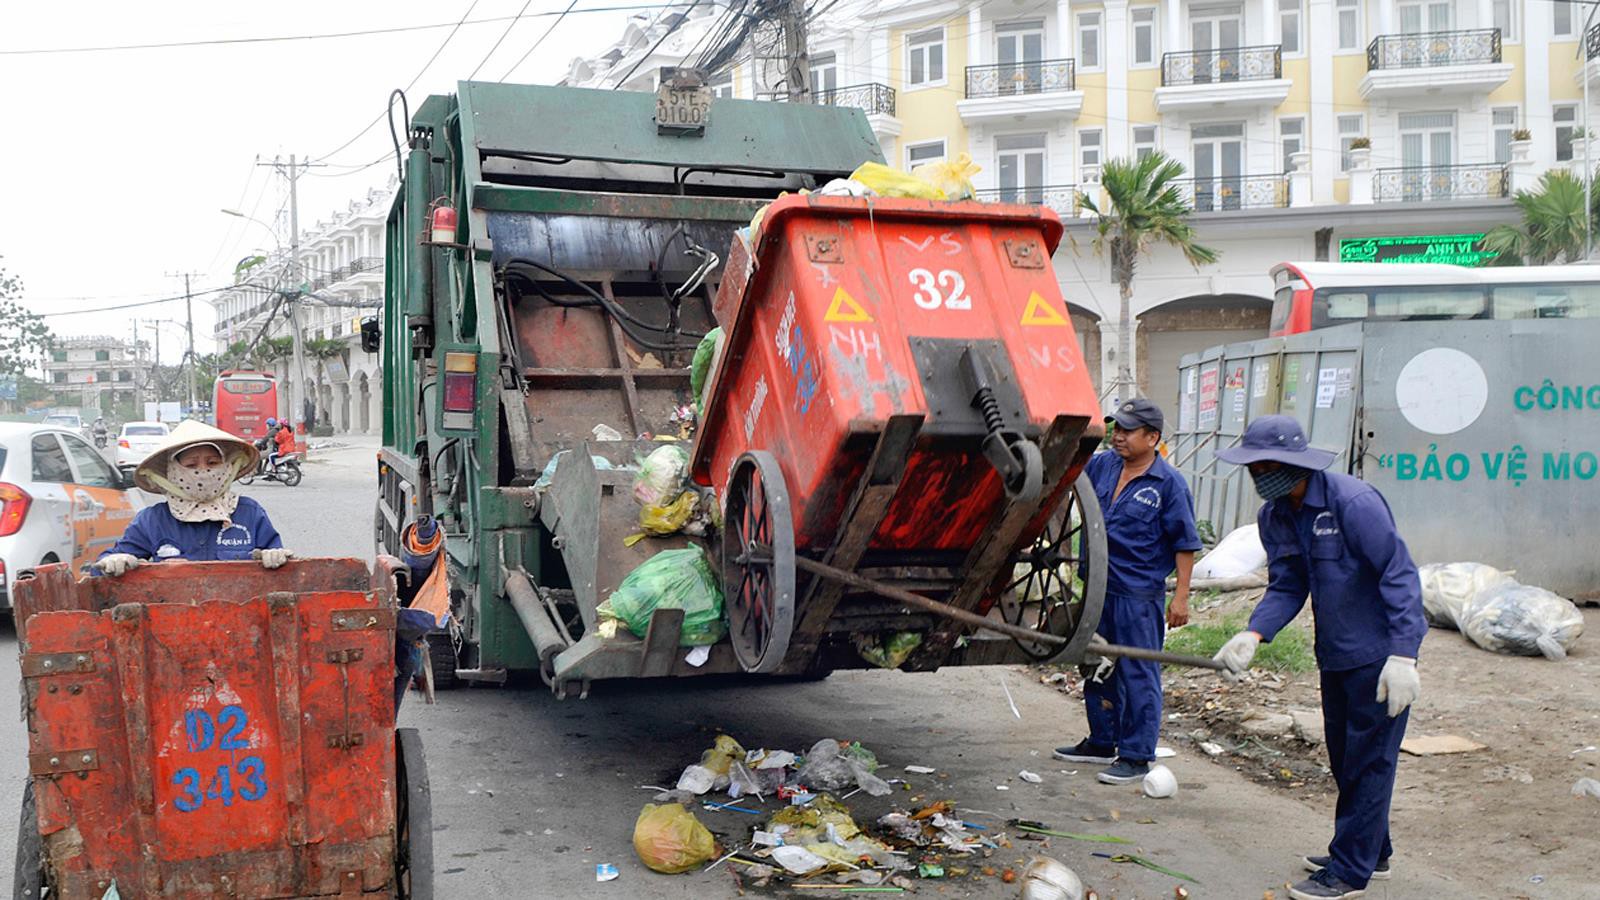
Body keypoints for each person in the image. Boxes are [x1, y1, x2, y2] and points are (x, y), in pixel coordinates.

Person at [1210, 415, 1425, 900]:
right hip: (1336, 656)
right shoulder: (1276, 516)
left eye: (1267, 466)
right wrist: (1254, 632)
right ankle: (1374, 850)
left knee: (1369, 763)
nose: (1260, 476)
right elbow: (1288, 584)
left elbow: (1399, 575)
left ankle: (1350, 871)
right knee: (1346, 759)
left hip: (1378, 657)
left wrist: (1404, 655)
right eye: (1253, 468)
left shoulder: (1353, 503)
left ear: (1292, 463)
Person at [1055, 398, 1200, 785]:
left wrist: (1181, 596)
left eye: (1127, 431)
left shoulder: (1168, 484)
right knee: (1098, 663)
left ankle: (1136, 756)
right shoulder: (1102, 466)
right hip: (1098, 588)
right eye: (1115, 429)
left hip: (1138, 594)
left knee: (1138, 672)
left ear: (1152, 438)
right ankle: (1103, 741)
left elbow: (1185, 544)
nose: (1118, 437)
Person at [97, 420, 293, 572]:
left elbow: (279, 560)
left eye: (212, 463)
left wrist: (275, 556)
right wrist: (115, 562)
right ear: (172, 472)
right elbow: (105, 567)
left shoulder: (249, 513)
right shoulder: (152, 520)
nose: (203, 471)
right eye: (191, 465)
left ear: (226, 467)